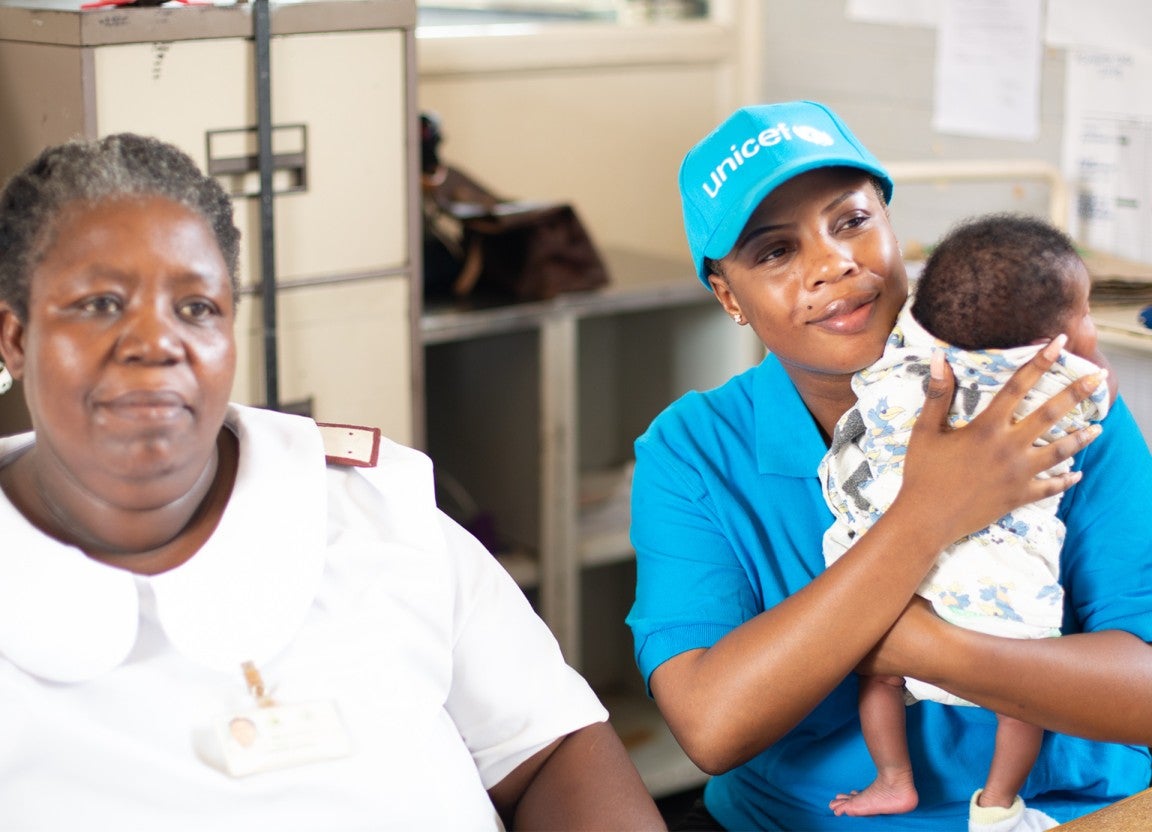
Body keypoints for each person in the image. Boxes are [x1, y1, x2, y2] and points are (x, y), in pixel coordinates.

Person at [0, 133, 665, 831]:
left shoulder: (379, 519)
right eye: (100, 302)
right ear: (14, 338)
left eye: (197, 307)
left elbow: (551, 748)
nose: (156, 342)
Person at [625, 100, 1152, 831]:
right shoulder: (693, 452)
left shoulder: (1043, 396)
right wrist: (930, 512)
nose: (833, 263)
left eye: (852, 222)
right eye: (775, 251)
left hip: (1064, 814)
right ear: (727, 296)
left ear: (892, 224)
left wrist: (913, 642)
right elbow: (712, 726)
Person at [820, 213, 1112, 830]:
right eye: (1084, 314)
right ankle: (1000, 805)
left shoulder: (909, 364)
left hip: (900, 582)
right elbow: (1097, 396)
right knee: (1025, 697)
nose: (1090, 327)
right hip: (997, 595)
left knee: (878, 677)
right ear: (1048, 342)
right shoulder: (1060, 387)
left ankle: (893, 778)